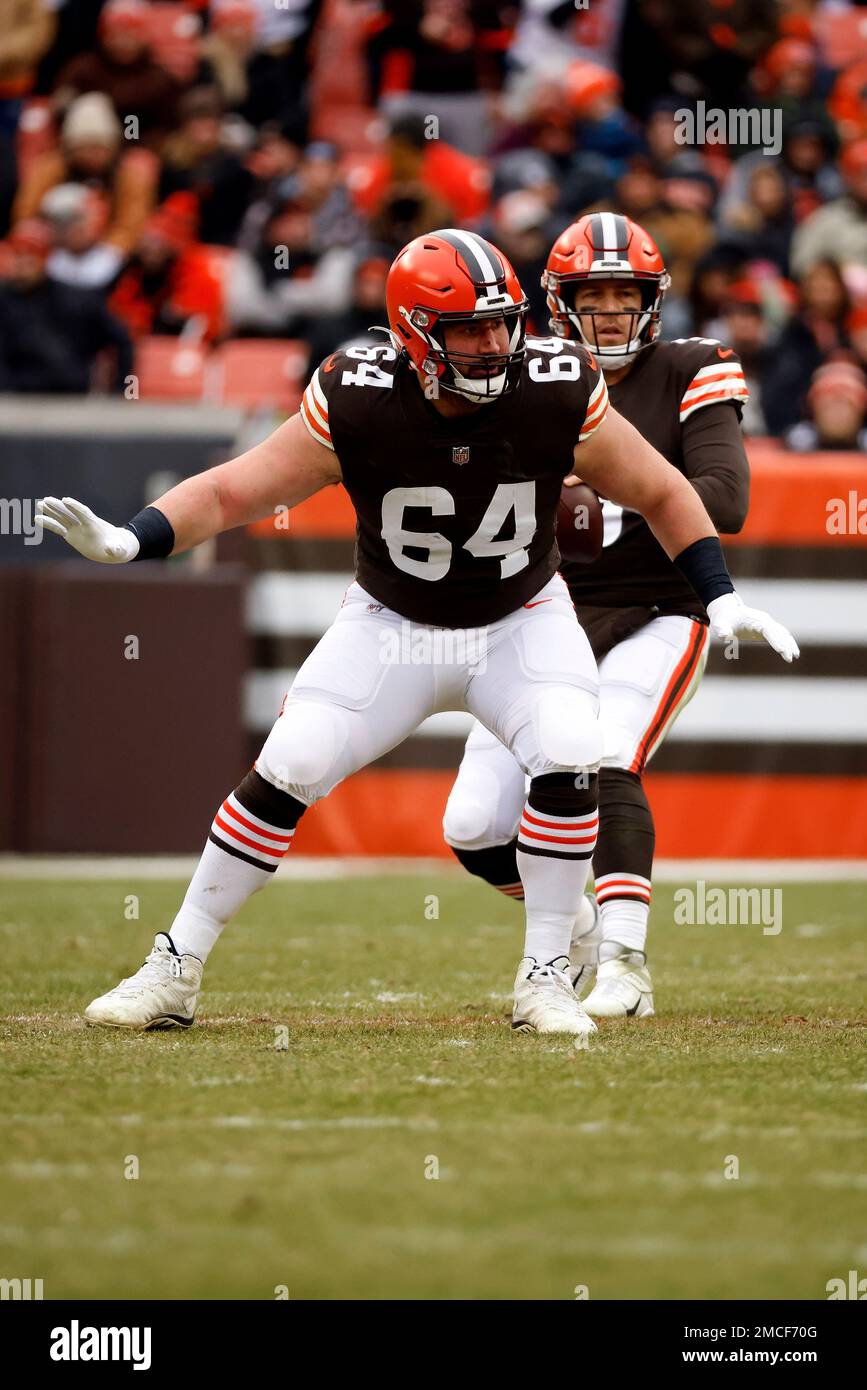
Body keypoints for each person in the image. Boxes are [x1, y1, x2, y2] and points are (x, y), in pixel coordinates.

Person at [37, 228, 797, 1036]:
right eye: (469, 329)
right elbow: (233, 492)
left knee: (574, 747)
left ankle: (544, 974)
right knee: (291, 761)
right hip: (391, 621)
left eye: (502, 322)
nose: (494, 343)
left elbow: (664, 491)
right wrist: (135, 538)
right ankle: (174, 966)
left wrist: (716, 597)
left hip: (520, 619)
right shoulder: (359, 392)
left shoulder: (552, 384)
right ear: (412, 337)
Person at [443, 214, 765, 1019]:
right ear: (561, 304)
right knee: (474, 825)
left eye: (628, 294)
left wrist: (590, 497)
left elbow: (722, 501)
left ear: (653, 303)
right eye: (596, 294)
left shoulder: (691, 367)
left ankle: (626, 963)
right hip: (543, 614)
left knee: (606, 754)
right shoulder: (523, 378)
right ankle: (578, 925)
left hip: (660, 606)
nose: (613, 310)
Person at [0, 216, 132, 392]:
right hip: (11, 401)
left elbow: (122, 340)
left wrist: (122, 391)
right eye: (18, 254)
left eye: (31, 255)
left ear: (44, 259)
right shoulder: (4, 300)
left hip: (67, 401)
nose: (23, 263)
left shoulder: (76, 299)